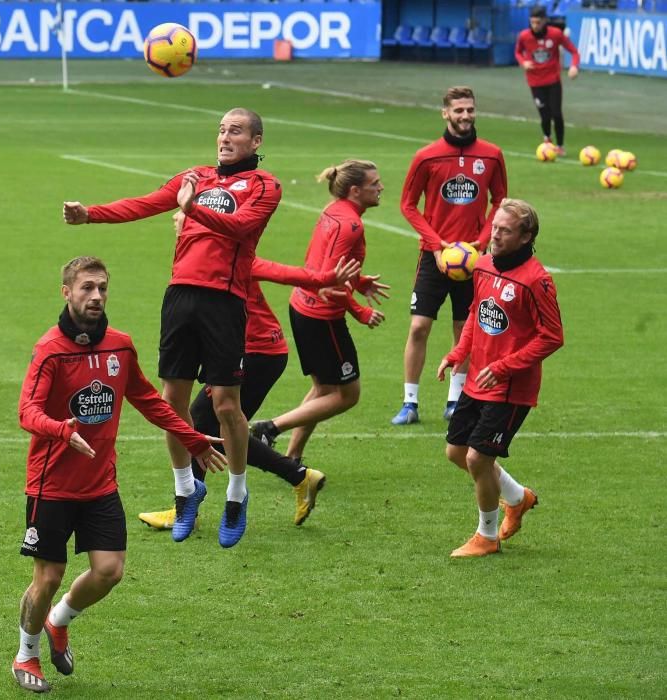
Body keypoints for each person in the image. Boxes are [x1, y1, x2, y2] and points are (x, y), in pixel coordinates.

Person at [63, 108, 281, 548]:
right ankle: (186, 490)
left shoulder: (264, 185)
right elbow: (146, 203)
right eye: (221, 130)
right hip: (180, 296)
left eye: (235, 131)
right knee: (171, 399)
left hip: (225, 299)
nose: (225, 137)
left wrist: (194, 207)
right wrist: (91, 214)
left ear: (255, 141)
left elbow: (242, 228)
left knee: (225, 405)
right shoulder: (195, 177)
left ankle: (236, 495)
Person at [12, 257, 226, 693]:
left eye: (102, 288)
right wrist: (61, 430)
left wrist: (193, 438)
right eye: (87, 288)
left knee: (109, 571)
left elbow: (149, 399)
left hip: (99, 484)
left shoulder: (120, 346)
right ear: (66, 292)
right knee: (47, 578)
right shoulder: (50, 349)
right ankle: (26, 653)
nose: (96, 296)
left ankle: (59, 621)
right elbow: (26, 412)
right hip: (51, 484)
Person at [139, 212, 361, 530]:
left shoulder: (229, 258)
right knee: (211, 425)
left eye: (183, 216)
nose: (176, 220)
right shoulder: (199, 258)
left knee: (209, 424)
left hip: (258, 353)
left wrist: (325, 279)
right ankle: (298, 477)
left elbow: (282, 273)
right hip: (253, 350)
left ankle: (188, 507)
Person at [436, 198, 563, 558]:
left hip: (511, 388)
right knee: (456, 452)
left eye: (504, 231)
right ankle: (516, 497)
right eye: (494, 228)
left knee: (478, 459)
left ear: (526, 237)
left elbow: (552, 336)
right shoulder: (485, 265)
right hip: (478, 377)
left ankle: (486, 537)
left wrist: (506, 366)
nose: (495, 236)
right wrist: (458, 354)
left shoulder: (538, 280)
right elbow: (477, 313)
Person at [251, 160, 389, 463]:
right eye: (374, 183)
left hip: (302, 308)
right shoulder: (352, 225)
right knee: (347, 395)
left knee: (323, 389)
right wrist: (359, 312)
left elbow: (325, 265)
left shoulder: (334, 210)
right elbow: (326, 284)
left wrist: (359, 282)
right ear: (355, 190)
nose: (381, 188)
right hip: (321, 316)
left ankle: (293, 456)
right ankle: (269, 428)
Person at [391, 86, 507, 426]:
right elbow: (408, 205)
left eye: (470, 110)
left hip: (474, 259)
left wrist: (481, 243)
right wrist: (437, 245)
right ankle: (409, 402)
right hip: (434, 256)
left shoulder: (492, 155)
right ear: (445, 113)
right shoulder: (426, 156)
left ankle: (455, 399)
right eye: (458, 111)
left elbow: (500, 200)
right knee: (418, 327)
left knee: (465, 329)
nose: (465, 116)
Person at [515, 5, 580, 156]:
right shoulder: (524, 36)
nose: (535, 26)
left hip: (553, 80)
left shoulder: (555, 34)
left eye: (538, 22)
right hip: (535, 82)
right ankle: (547, 140)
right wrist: (523, 62)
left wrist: (574, 66)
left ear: (545, 21)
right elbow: (518, 52)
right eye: (532, 22)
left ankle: (560, 146)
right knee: (544, 114)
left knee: (556, 113)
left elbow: (574, 51)